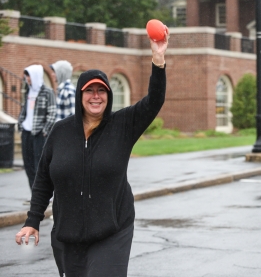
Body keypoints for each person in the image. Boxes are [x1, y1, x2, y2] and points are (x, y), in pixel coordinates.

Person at [15, 31, 169, 277]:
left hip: (112, 229)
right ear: (80, 95)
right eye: (90, 90)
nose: (96, 96)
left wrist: (158, 59)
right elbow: (43, 179)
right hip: (68, 235)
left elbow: (154, 100)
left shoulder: (123, 125)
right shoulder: (60, 131)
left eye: (102, 90)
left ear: (108, 95)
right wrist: (32, 221)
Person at [18, 65, 56, 203]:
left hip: (39, 134)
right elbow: (25, 110)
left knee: (39, 166)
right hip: (26, 133)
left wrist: (45, 131)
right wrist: (20, 123)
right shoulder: (28, 91)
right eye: (26, 76)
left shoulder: (48, 92)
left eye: (28, 75)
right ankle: (35, 196)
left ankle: (46, 196)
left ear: (35, 76)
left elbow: (52, 113)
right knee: (28, 165)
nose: (27, 79)